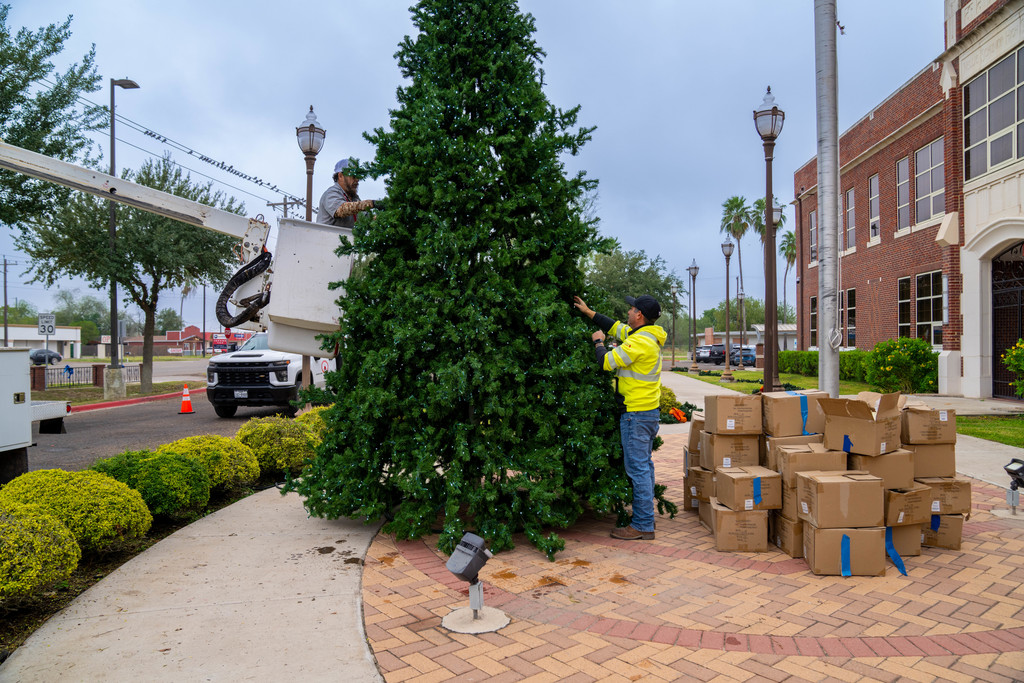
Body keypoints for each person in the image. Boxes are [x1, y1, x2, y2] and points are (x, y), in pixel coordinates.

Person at [573, 294, 666, 540]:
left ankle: (643, 525)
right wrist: (589, 312)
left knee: (637, 470)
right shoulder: (645, 335)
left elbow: (606, 362)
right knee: (644, 467)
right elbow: (616, 326)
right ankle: (646, 520)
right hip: (647, 412)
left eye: (632, 308)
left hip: (635, 414)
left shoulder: (639, 343)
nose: (628, 311)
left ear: (640, 315)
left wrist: (598, 343)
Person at [316, 158, 383, 227]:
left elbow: (368, 219)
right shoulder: (331, 193)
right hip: (326, 236)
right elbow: (341, 210)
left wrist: (386, 215)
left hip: (345, 237)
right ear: (340, 176)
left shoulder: (354, 199)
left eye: (358, 176)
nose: (357, 180)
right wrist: (371, 203)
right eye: (353, 176)